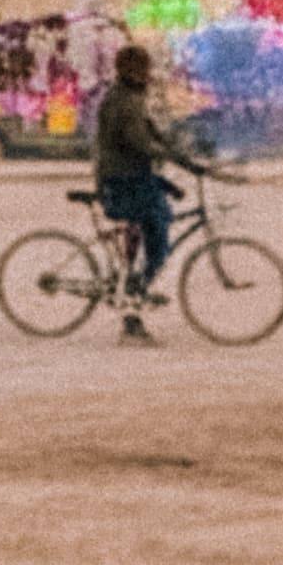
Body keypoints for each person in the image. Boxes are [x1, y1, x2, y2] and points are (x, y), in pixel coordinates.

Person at [94, 42, 200, 344]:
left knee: (158, 220)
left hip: (130, 178)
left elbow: (151, 132)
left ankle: (138, 283)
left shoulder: (129, 96)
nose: (146, 73)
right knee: (159, 234)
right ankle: (132, 307)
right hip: (122, 182)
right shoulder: (124, 101)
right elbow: (137, 142)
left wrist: (175, 149)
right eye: (142, 68)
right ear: (129, 70)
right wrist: (167, 154)